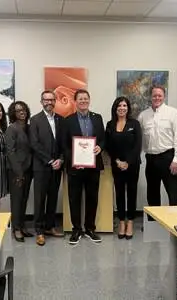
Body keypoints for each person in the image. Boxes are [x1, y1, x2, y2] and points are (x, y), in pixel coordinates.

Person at [63, 89, 105, 245]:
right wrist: (74, 159)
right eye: (80, 99)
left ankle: (90, 228)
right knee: (74, 198)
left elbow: (103, 138)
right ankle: (76, 229)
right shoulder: (68, 120)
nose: (83, 101)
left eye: (85, 99)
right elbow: (64, 145)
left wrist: (100, 147)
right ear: (75, 101)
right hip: (76, 167)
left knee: (92, 198)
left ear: (89, 100)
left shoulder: (97, 118)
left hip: (93, 166)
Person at [138, 85, 177, 218]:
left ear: (164, 96)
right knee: (152, 193)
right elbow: (140, 139)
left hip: (168, 158)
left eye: (159, 95)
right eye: (154, 95)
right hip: (151, 159)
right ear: (150, 97)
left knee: (174, 192)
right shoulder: (143, 115)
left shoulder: (173, 113)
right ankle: (153, 225)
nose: (157, 98)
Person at [30, 90, 65, 246]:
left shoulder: (61, 120)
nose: (49, 102)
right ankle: (39, 231)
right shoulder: (35, 120)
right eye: (46, 100)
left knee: (53, 197)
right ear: (41, 101)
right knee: (40, 200)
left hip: (57, 166)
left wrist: (61, 159)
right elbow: (34, 144)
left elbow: (64, 143)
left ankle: (50, 226)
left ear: (55, 101)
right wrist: (50, 160)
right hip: (41, 167)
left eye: (52, 100)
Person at [105, 96, 142, 239]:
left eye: (124, 105)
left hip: (132, 165)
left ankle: (130, 222)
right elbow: (108, 146)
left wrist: (128, 162)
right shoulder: (110, 124)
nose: (122, 108)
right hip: (117, 165)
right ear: (115, 108)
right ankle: (121, 222)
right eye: (119, 105)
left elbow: (137, 145)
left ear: (128, 108)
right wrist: (117, 161)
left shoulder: (135, 123)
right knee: (119, 193)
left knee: (132, 193)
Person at [5, 101, 33, 242]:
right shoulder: (12, 129)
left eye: (23, 110)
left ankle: (22, 226)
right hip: (17, 171)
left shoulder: (29, 128)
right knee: (16, 200)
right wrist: (19, 172)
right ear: (13, 114)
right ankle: (16, 229)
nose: (22, 112)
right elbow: (10, 152)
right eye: (18, 110)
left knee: (24, 200)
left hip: (28, 170)